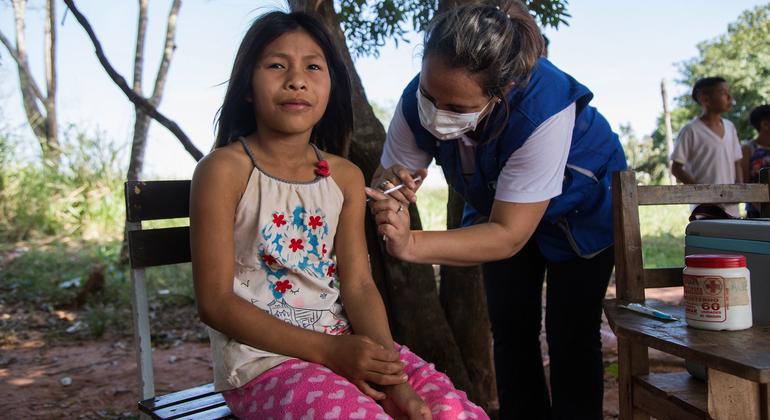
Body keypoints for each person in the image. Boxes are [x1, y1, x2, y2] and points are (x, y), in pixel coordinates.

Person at [189, 10, 487, 420]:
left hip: (348, 346)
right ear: (247, 87)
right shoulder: (222, 171)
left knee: (452, 413)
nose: (296, 79)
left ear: (330, 85)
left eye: (313, 66)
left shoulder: (343, 177)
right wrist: (330, 351)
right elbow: (215, 303)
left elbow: (360, 286)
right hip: (263, 364)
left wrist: (394, 379)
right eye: (277, 65)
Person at [365, 1, 627, 418]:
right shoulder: (422, 96)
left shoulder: (543, 106)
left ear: (502, 92)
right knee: (510, 328)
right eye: (430, 97)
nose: (435, 115)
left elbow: (509, 234)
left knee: (571, 332)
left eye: (455, 109)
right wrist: (390, 189)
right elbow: (391, 176)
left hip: (581, 212)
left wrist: (411, 243)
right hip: (494, 203)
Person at [670, 77, 744, 217]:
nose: (729, 97)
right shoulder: (691, 130)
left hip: (732, 208)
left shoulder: (730, 127)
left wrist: (739, 189)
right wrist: (704, 194)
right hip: (705, 211)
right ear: (705, 99)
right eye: (723, 92)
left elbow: (737, 162)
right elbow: (676, 168)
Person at [741, 105, 770, 218]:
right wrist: (763, 209)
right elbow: (745, 183)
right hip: (756, 212)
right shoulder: (748, 149)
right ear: (765, 125)